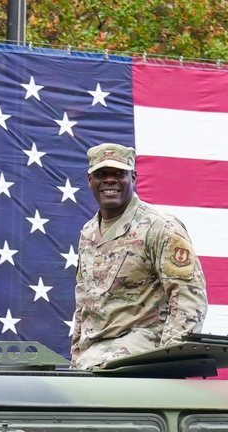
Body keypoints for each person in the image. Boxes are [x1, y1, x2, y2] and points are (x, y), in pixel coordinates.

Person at [70, 142, 208, 369]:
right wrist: (76, 356)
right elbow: (84, 302)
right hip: (93, 356)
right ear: (89, 180)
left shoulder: (160, 228)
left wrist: (170, 362)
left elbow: (188, 299)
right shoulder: (88, 233)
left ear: (133, 178)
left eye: (119, 174)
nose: (110, 180)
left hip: (141, 353)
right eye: (101, 174)